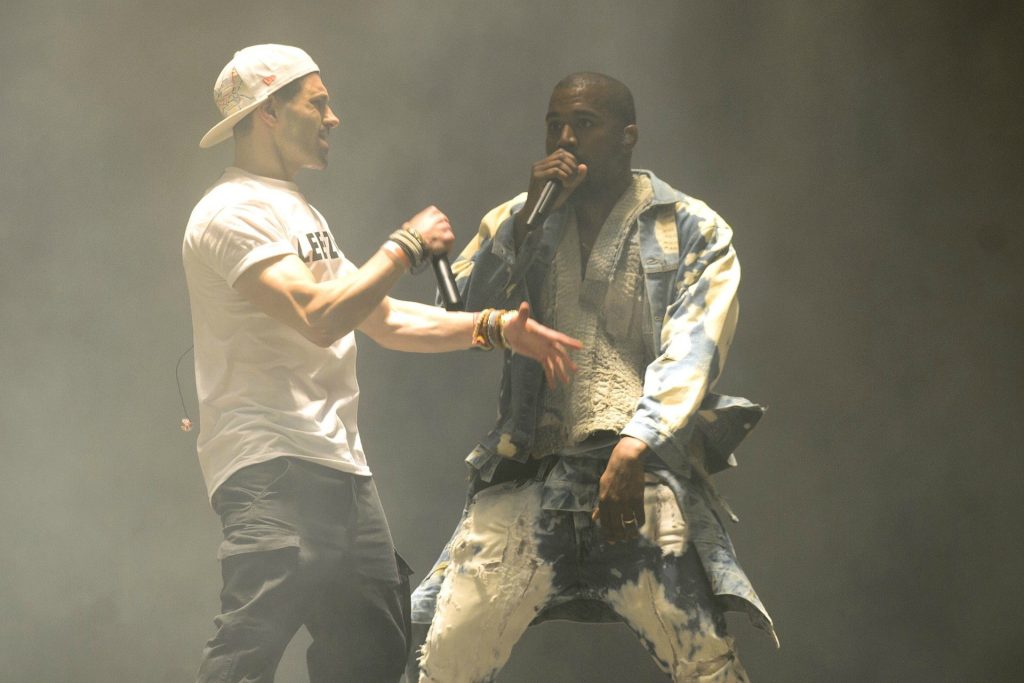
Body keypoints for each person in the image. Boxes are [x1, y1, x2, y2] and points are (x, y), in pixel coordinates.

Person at [181, 44, 580, 683]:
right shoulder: (230, 212)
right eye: (317, 103)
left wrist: (495, 327)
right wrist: (405, 245)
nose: (332, 117)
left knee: (372, 649)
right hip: (271, 467)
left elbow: (383, 319)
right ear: (269, 113)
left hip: (339, 470)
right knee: (246, 653)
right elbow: (319, 315)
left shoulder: (298, 211)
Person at [410, 72, 777, 682]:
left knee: (705, 663)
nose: (565, 139)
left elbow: (696, 347)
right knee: (446, 658)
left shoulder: (692, 228)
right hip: (535, 470)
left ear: (628, 135)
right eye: (555, 125)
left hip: (635, 471)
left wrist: (637, 444)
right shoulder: (517, 217)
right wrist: (525, 226)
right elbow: (462, 319)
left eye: (584, 123)